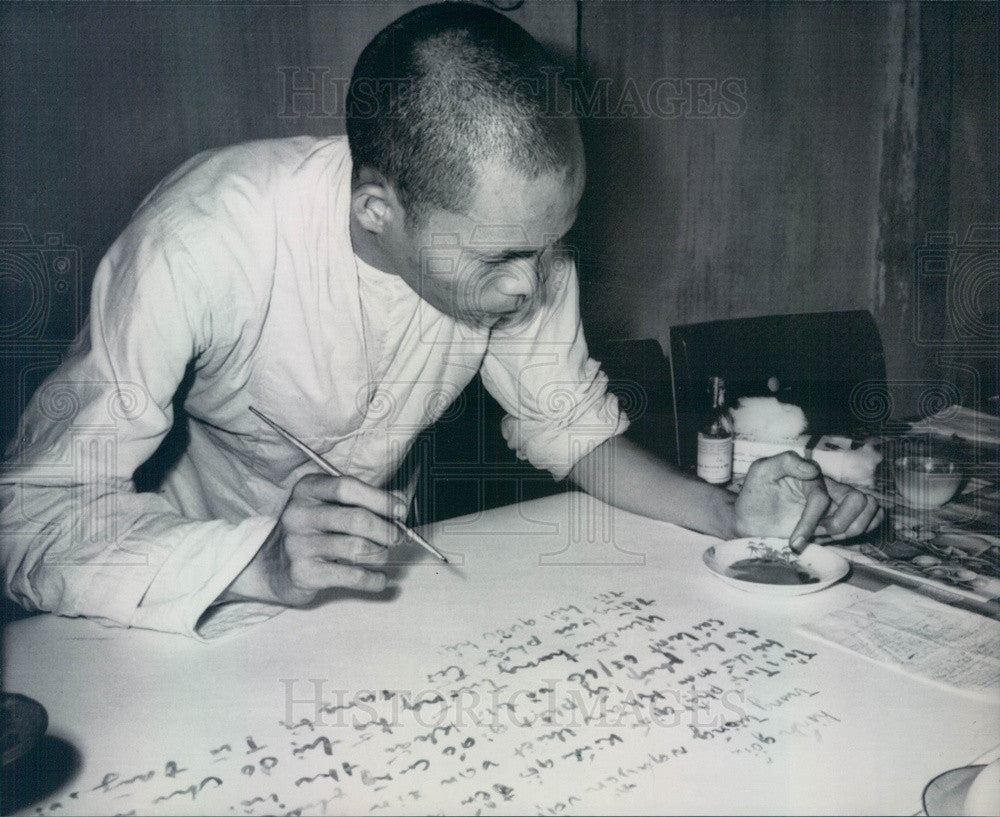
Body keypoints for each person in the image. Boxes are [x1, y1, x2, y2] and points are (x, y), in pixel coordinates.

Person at [0, 2, 880, 639]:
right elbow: (31, 518)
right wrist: (254, 562)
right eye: (499, 258)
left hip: (384, 602)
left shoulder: (517, 248)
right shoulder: (198, 246)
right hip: (165, 606)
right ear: (377, 207)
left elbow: (568, 424)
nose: (530, 288)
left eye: (551, 246)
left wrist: (726, 514)